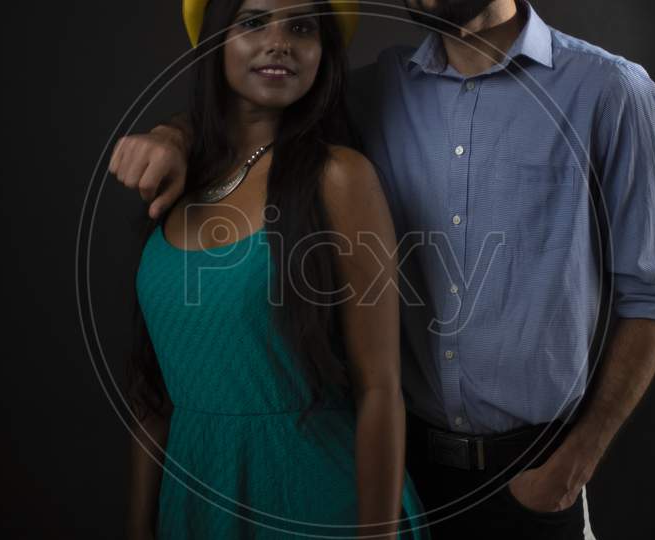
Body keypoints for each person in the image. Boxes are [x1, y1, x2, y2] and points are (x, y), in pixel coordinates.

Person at [112, 1, 655, 539]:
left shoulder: (607, 89)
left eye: (302, 27)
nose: (279, 42)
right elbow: (256, 114)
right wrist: (175, 133)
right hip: (399, 464)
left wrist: (572, 465)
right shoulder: (374, 92)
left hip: (533, 473)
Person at [120, 0, 431, 539]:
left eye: (303, 27)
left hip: (315, 501)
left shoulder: (339, 177)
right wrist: (138, 526)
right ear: (218, 39)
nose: (280, 41)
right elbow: (154, 391)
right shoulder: (174, 175)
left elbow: (379, 388)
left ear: (323, 54)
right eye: (254, 22)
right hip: (195, 503)